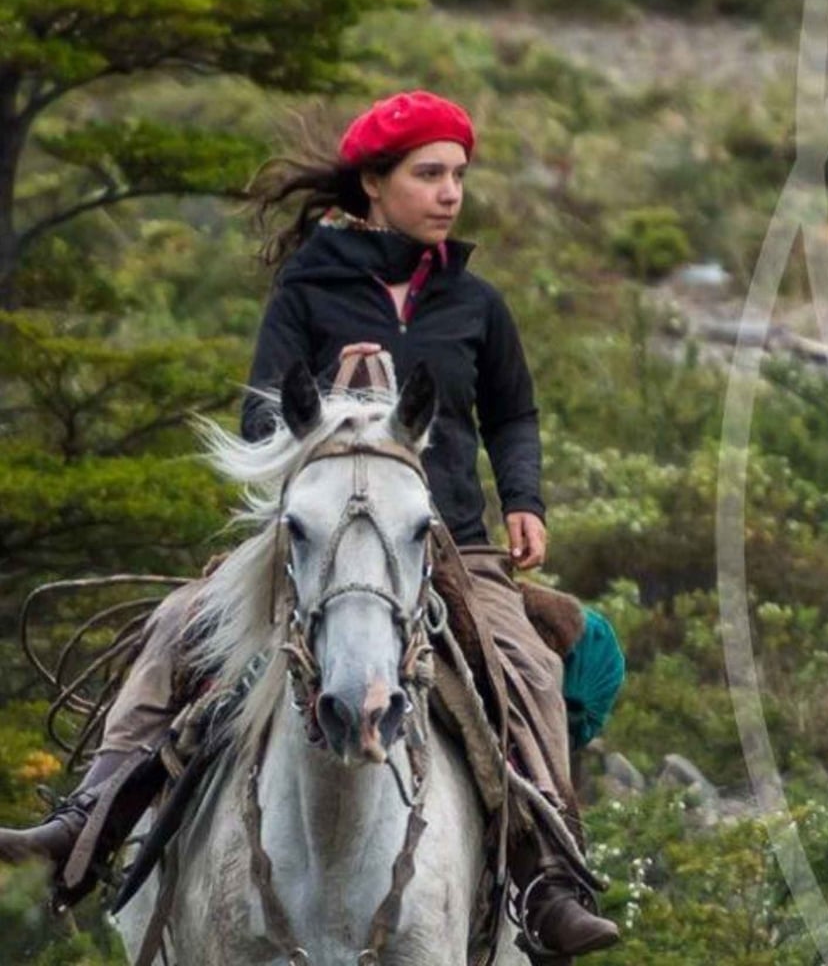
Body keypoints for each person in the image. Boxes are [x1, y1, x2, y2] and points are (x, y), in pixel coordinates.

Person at [0, 90, 619, 959]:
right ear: (374, 183)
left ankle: (548, 876)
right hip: (321, 534)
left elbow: (513, 413)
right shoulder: (308, 287)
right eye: (429, 174)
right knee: (182, 623)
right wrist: (336, 404)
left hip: (450, 543)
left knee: (527, 668)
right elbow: (263, 418)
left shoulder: (477, 302)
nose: (450, 194)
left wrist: (524, 498)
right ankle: (89, 819)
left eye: (459, 176)